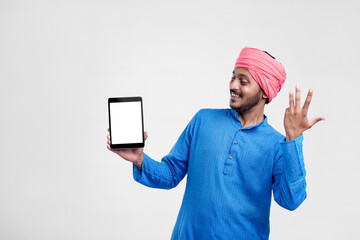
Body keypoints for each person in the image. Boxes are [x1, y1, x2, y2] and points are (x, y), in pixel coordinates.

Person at [106, 47, 324, 240]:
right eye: (233, 77)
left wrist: (293, 140)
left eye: (244, 81)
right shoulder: (203, 120)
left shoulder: (278, 144)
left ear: (265, 92)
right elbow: (171, 174)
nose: (233, 85)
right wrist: (140, 160)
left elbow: (290, 200)